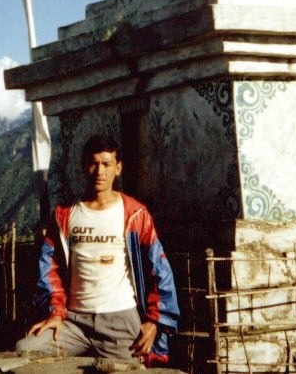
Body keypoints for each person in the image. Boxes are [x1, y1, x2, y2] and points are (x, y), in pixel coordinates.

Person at [16, 134, 180, 366]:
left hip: (120, 321)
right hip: (74, 322)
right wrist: (55, 312)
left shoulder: (135, 214)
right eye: (94, 163)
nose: (99, 171)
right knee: (26, 351)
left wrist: (154, 321)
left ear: (118, 168)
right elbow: (48, 268)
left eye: (106, 164)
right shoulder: (65, 215)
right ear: (84, 166)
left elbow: (159, 268)